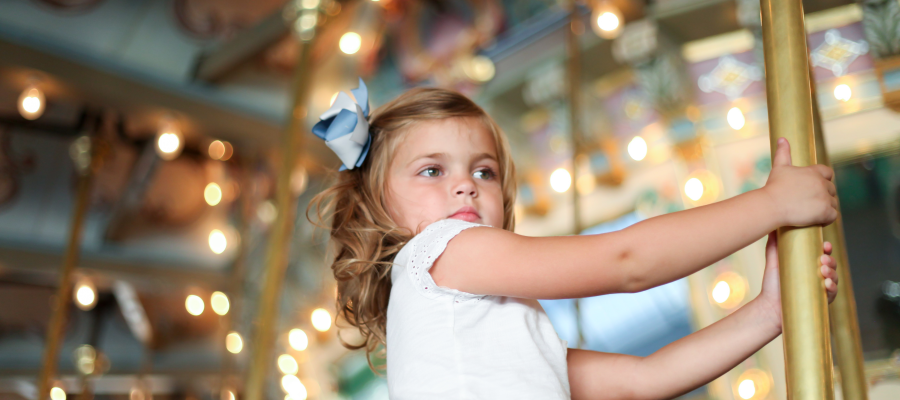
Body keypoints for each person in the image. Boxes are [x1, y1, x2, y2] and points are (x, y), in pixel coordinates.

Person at [309, 79, 840, 399]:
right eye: (431, 171)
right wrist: (771, 205)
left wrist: (770, 311)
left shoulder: (489, 335)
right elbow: (626, 262)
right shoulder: (443, 250)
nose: (465, 183)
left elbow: (644, 379)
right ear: (376, 204)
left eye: (485, 171)